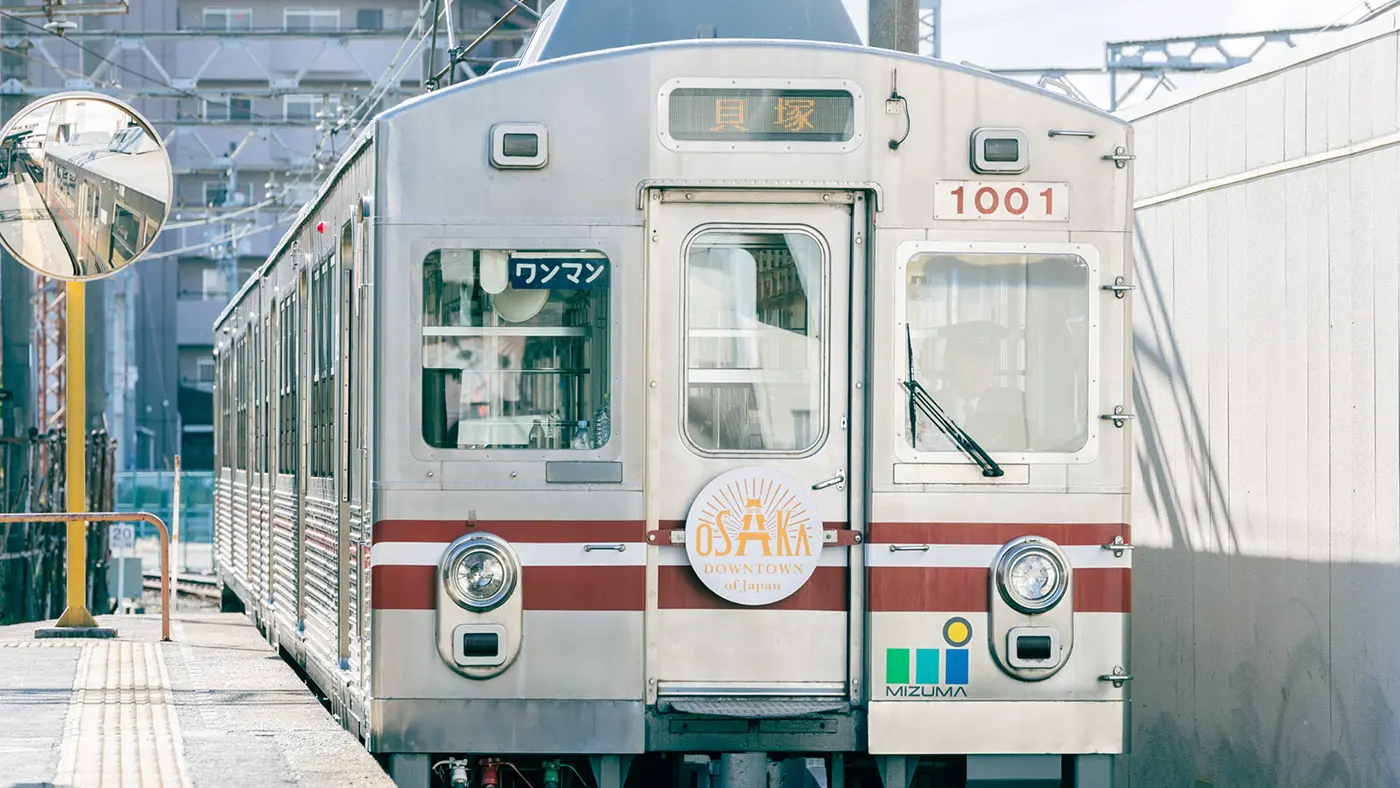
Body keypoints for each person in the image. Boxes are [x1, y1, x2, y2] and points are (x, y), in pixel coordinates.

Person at [912, 320, 1028, 453]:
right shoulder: (927, 406)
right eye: (972, 362)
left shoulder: (1013, 405)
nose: (981, 371)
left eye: (988, 363)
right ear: (950, 363)